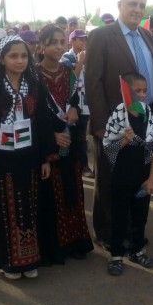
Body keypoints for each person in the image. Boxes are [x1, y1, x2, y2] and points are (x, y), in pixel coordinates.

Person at [84, 0, 153, 249]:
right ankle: (107, 233)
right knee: (109, 182)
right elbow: (93, 82)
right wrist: (101, 126)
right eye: (132, 4)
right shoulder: (101, 36)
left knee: (135, 177)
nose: (137, 9)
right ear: (119, 5)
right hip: (114, 124)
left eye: (142, 5)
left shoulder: (147, 36)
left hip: (144, 123)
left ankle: (130, 229)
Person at [0, 35, 57, 279]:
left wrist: (45, 158)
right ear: (1, 59)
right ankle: (8, 261)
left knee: (29, 206)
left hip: (29, 156)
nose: (19, 61)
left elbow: (43, 121)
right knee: (1, 207)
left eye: (23, 56)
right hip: (0, 159)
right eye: (13, 56)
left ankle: (30, 260)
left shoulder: (34, 84)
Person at [37, 25, 94, 263]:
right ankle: (56, 247)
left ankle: (75, 241)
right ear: (42, 46)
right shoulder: (33, 75)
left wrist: (74, 108)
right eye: (53, 42)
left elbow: (74, 97)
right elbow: (32, 113)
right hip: (47, 142)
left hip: (69, 137)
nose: (59, 47)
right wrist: (50, 135)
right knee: (51, 193)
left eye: (62, 42)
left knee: (72, 189)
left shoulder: (68, 71)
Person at [103, 72, 153, 275]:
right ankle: (116, 254)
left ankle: (137, 250)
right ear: (126, 91)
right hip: (121, 176)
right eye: (137, 91)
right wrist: (124, 140)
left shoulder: (148, 113)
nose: (142, 95)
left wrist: (152, 178)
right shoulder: (118, 115)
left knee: (140, 216)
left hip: (142, 176)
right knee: (119, 216)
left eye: (145, 91)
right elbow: (108, 148)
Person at [61, 29, 93, 178]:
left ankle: (84, 165)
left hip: (85, 103)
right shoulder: (66, 57)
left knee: (81, 136)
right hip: (72, 103)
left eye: (85, 39)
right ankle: (74, 164)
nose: (83, 42)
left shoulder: (88, 56)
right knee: (71, 134)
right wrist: (80, 61)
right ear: (72, 41)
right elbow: (72, 79)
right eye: (80, 39)